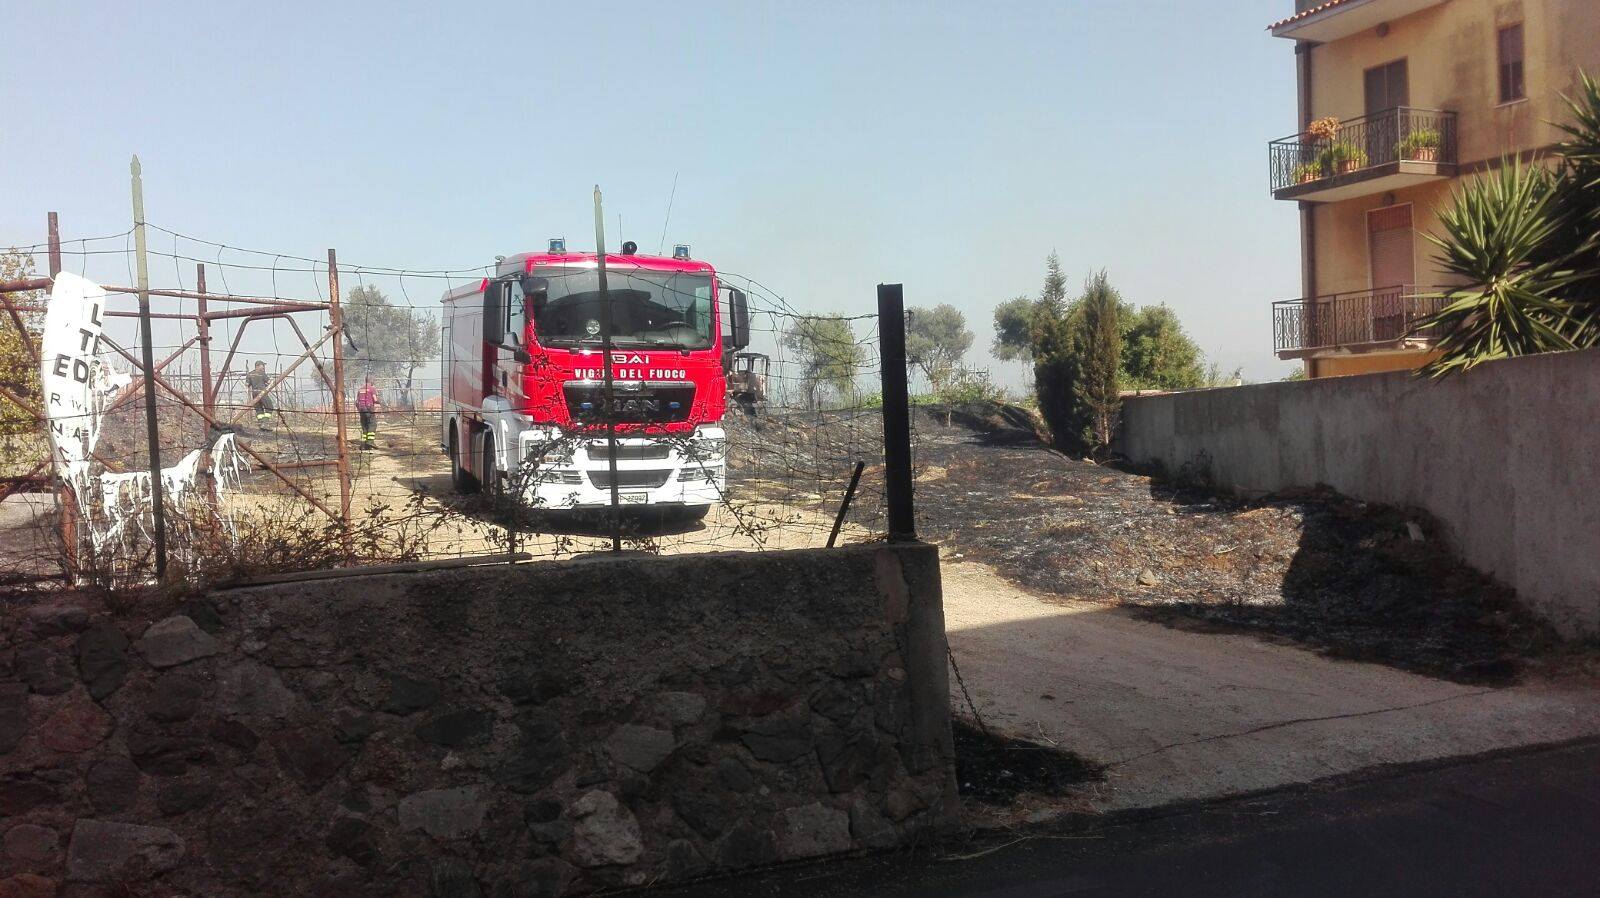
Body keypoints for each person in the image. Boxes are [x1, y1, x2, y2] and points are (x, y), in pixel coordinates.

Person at [245, 361, 275, 431]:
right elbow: (269, 382)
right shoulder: (262, 373)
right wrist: (272, 382)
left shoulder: (250, 374)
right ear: (258, 366)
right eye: (262, 365)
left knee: (259, 410)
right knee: (270, 407)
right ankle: (265, 422)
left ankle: (261, 425)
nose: (263, 367)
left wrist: (248, 393)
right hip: (262, 393)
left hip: (254, 394)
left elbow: (247, 384)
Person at [356, 376, 381, 450]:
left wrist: (359, 409)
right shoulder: (372, 388)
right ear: (371, 381)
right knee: (372, 424)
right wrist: (379, 401)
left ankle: (364, 444)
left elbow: (357, 402)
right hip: (369, 409)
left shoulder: (360, 389)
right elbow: (375, 399)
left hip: (361, 409)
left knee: (364, 426)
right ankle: (370, 442)